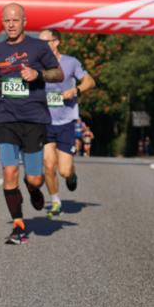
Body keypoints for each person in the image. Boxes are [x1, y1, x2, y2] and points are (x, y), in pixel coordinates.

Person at [0, 4, 62, 245]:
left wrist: (39, 75)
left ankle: (34, 190)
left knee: (34, 178)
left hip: (34, 118)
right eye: (6, 21)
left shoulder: (39, 47)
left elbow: (58, 74)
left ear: (24, 21)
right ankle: (18, 225)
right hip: (6, 117)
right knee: (9, 171)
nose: (11, 24)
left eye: (15, 20)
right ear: (2, 23)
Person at [38, 29, 95, 218]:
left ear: (56, 42)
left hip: (66, 121)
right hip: (44, 121)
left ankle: (72, 174)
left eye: (46, 41)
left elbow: (90, 81)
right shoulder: (35, 64)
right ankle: (55, 201)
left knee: (63, 171)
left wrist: (76, 89)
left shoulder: (70, 62)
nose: (41, 45)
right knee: (48, 164)